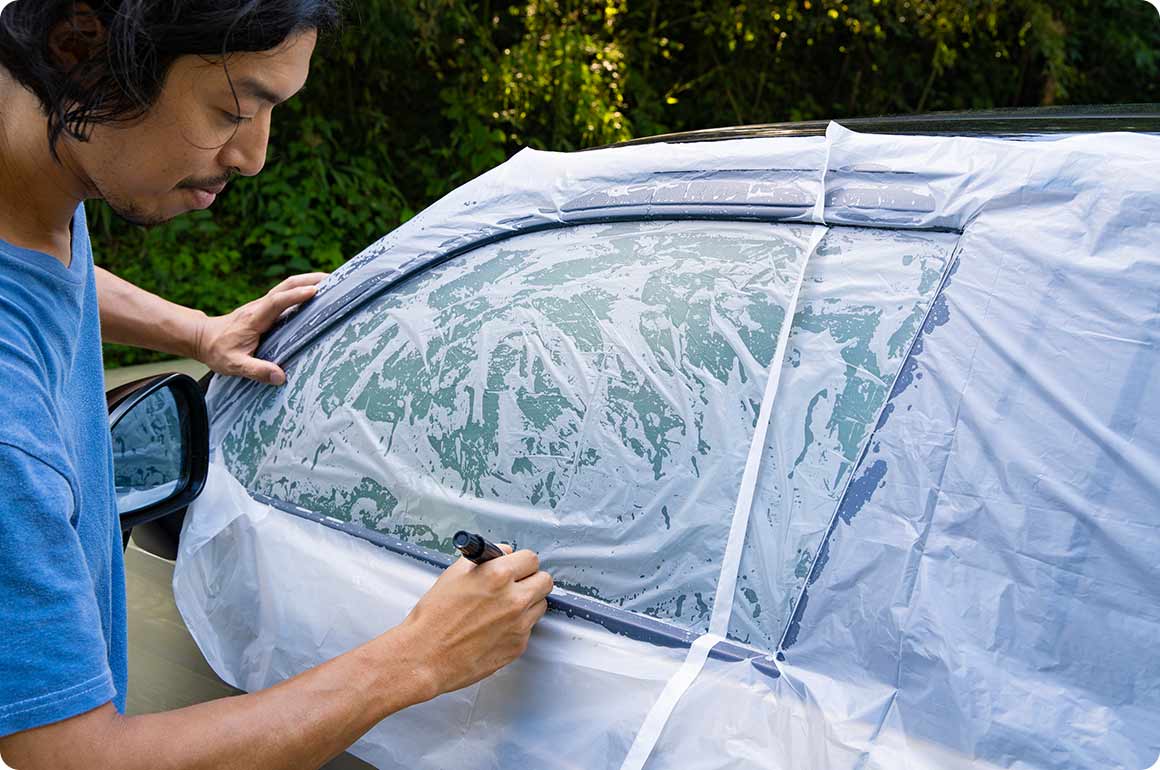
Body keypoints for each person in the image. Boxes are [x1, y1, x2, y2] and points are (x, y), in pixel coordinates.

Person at [0, 2, 554, 768]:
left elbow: (45, 276)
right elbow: (76, 757)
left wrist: (198, 331)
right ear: (79, 48)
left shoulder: (36, 172)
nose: (252, 155)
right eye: (232, 109)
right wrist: (418, 659)